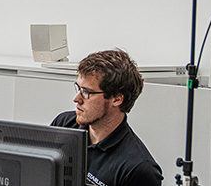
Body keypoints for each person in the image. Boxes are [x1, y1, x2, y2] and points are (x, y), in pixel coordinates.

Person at [51, 50, 163, 186]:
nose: (77, 99)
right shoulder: (63, 124)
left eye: (87, 92)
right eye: (79, 88)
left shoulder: (138, 168)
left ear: (116, 99)